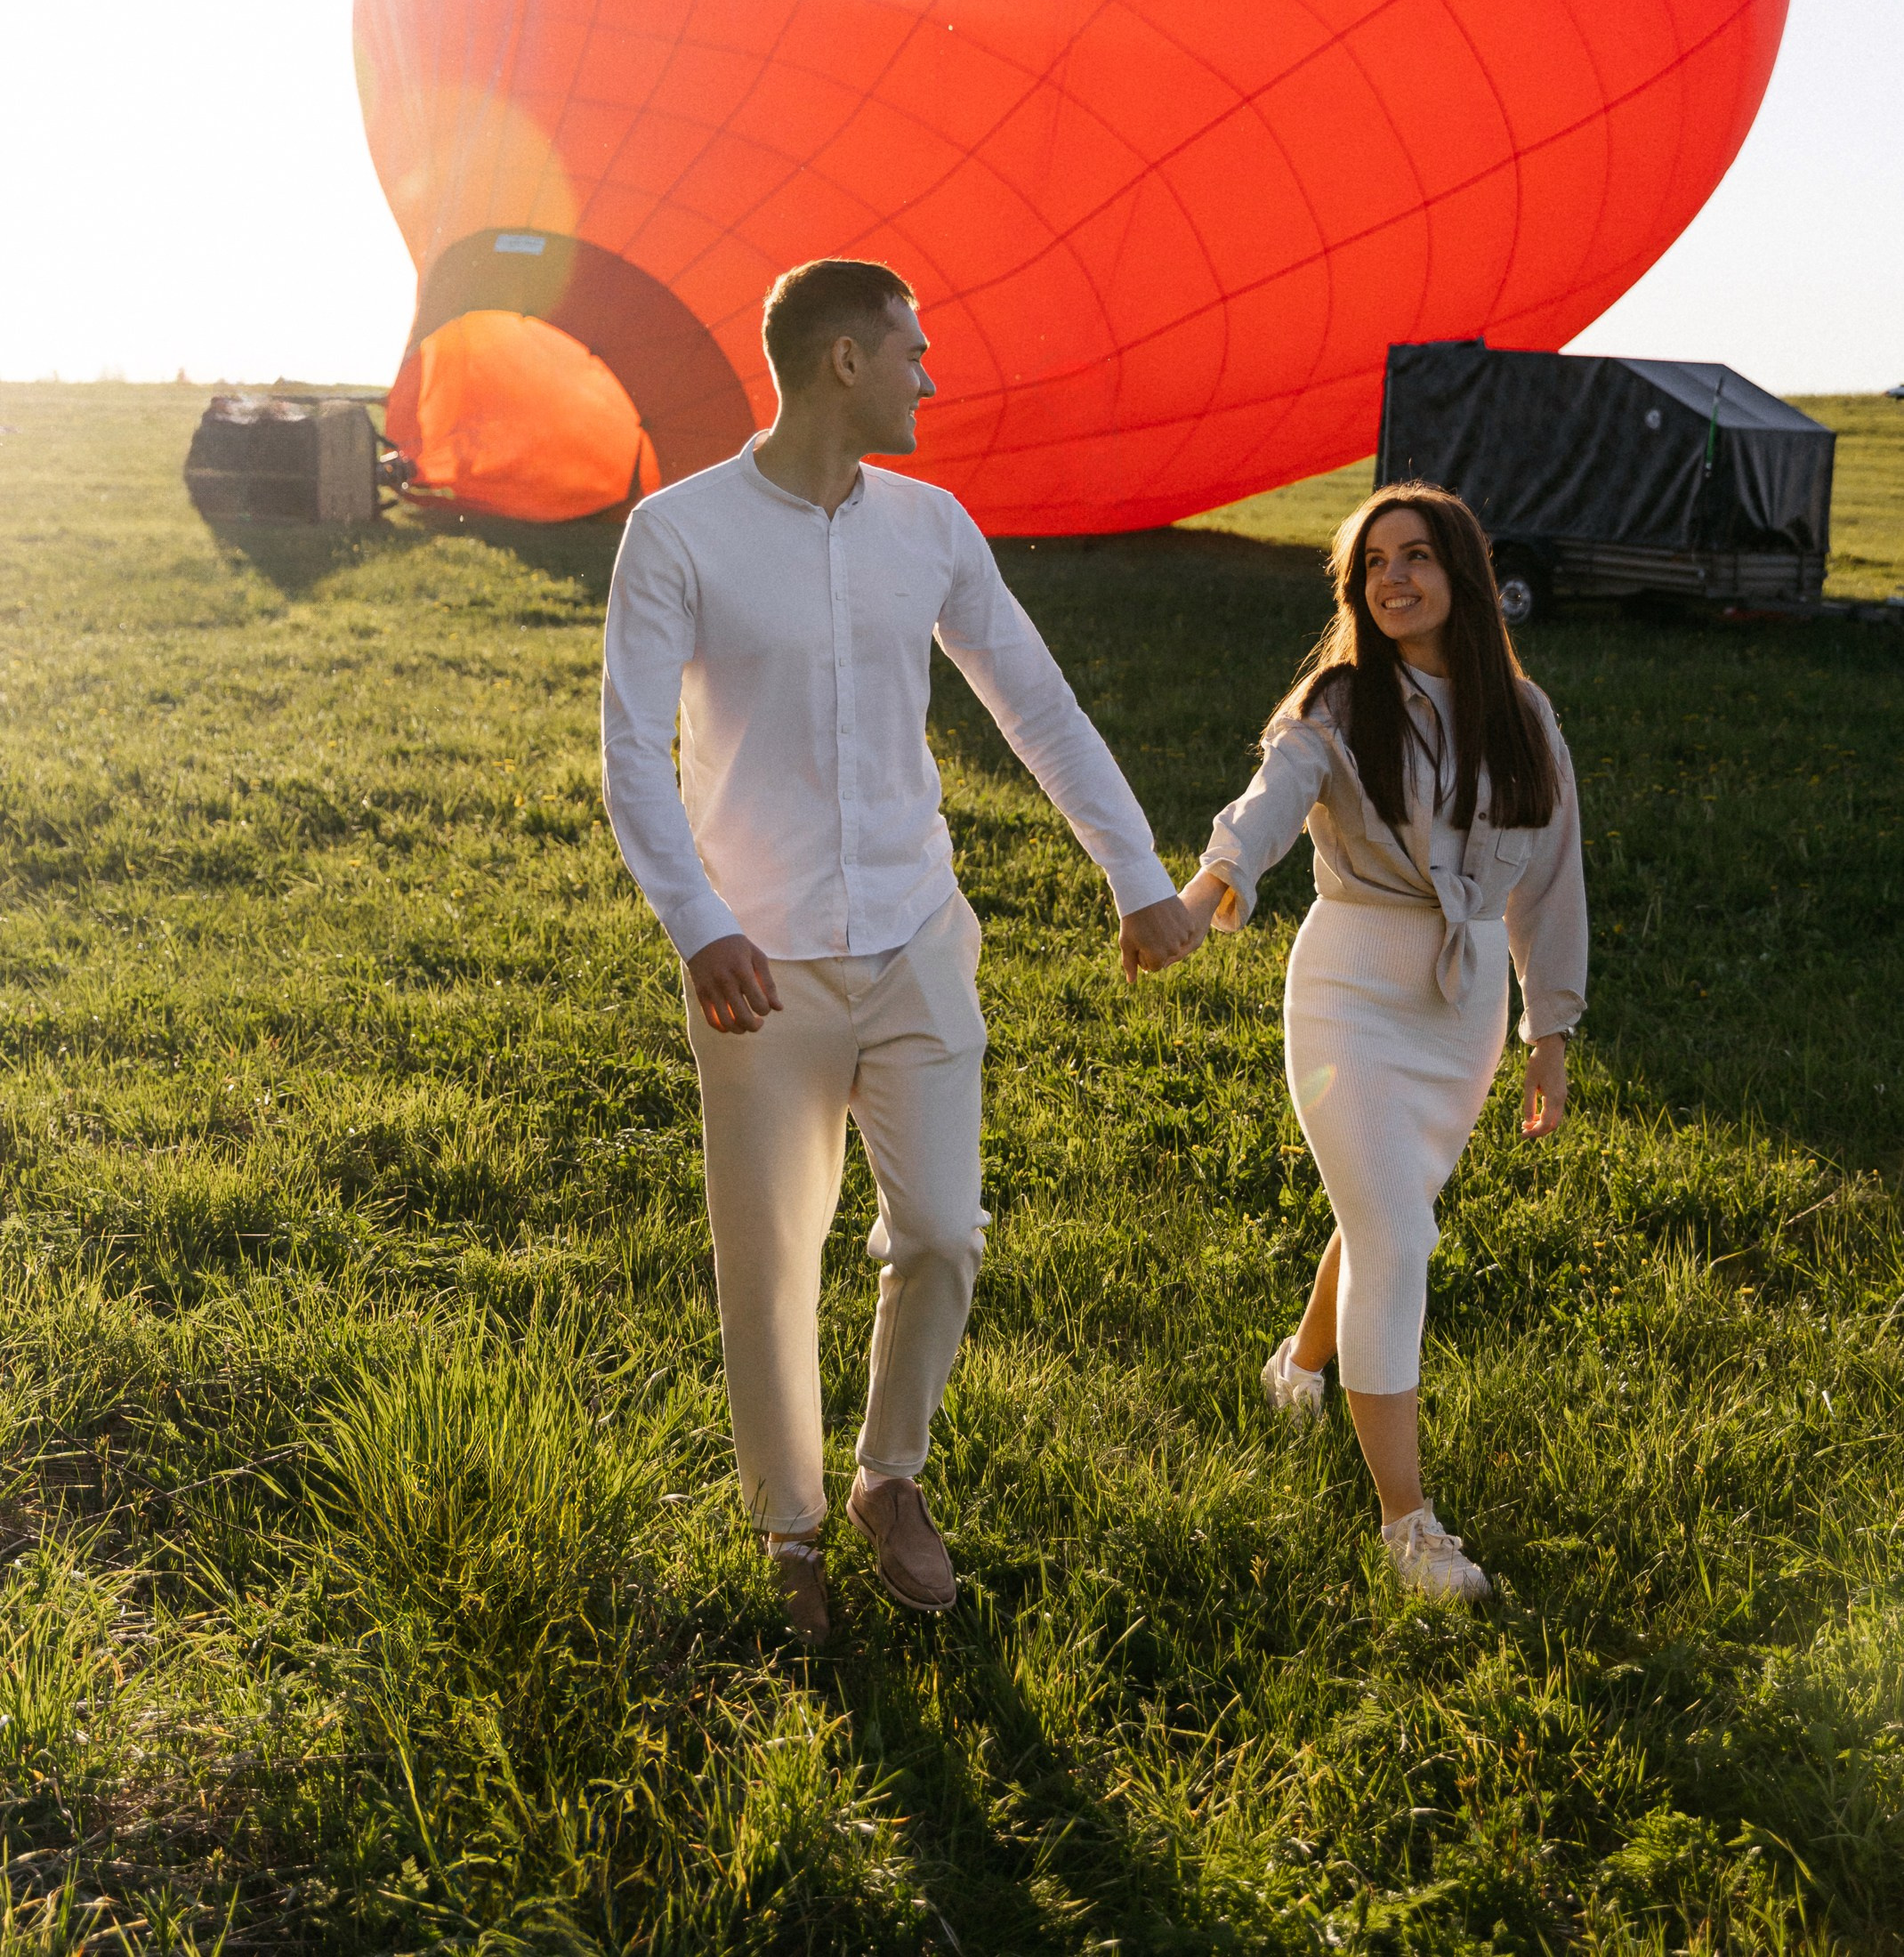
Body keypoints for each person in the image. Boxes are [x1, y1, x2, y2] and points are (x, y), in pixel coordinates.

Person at [601, 258, 1195, 1643]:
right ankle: (788, 1524)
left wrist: (1138, 878)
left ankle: (889, 1477)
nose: (931, 376)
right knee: (773, 1257)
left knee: (939, 1233)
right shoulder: (677, 534)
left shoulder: (930, 527)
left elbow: (1035, 706)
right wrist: (702, 927)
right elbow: (634, 760)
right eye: (913, 352)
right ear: (844, 363)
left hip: (921, 939)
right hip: (761, 965)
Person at [1179, 483, 1586, 1602]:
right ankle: (1407, 1527)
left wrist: (1548, 1029)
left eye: (1415, 556)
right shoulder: (1337, 701)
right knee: (1400, 1235)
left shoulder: (1523, 713)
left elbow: (1549, 884)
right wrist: (1209, 885)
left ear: (1461, 569)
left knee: (1384, 1214)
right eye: (1371, 565)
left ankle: (1297, 1366)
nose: (1392, 578)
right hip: (1351, 986)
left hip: (1461, 1012)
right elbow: (1268, 803)